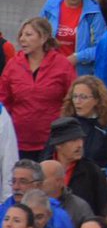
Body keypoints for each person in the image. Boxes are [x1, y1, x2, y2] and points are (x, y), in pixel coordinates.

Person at [0, 17, 75, 159]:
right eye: (21, 35)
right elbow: (3, 100)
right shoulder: (13, 65)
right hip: (16, 141)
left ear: (43, 38)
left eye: (28, 35)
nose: (22, 39)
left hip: (51, 143)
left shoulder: (62, 65)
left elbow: (71, 100)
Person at [63, 76, 107, 175]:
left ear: (97, 100)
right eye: (75, 96)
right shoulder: (67, 123)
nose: (77, 101)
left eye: (83, 97)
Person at [42, 0, 106, 76]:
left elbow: (100, 47)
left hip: (79, 72)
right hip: (50, 67)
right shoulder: (51, 5)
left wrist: (76, 57)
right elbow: (38, 32)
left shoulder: (94, 12)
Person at [44, 117, 107, 216]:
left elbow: (104, 208)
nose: (79, 145)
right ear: (58, 145)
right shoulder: (43, 169)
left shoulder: (92, 171)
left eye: (80, 139)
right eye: (73, 140)